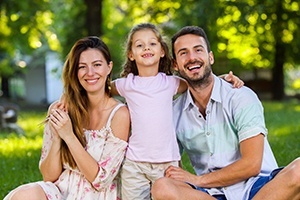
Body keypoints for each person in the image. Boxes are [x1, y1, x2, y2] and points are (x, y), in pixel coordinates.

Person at [151, 26, 300, 200]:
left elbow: (252, 164)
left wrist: (197, 179)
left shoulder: (241, 97)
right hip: (212, 195)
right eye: (183, 53)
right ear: (175, 65)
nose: (192, 58)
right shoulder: (174, 112)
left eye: (198, 50)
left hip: (260, 188)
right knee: (162, 187)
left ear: (210, 57)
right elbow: (169, 165)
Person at [110, 23, 244, 200]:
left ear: (162, 51)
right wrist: (70, 97)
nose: (146, 48)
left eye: (152, 44)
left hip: (167, 163)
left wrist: (224, 79)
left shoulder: (171, 83)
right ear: (131, 54)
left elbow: (200, 83)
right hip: (135, 163)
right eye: (139, 45)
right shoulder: (126, 84)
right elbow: (97, 91)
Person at [4, 36, 131, 200]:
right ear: (75, 72)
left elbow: (101, 180)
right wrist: (57, 136)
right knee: (25, 195)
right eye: (82, 67)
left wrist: (68, 135)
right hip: (61, 191)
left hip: (98, 195)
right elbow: (49, 177)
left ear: (109, 67)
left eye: (97, 65)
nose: (90, 73)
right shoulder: (62, 109)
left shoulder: (119, 114)